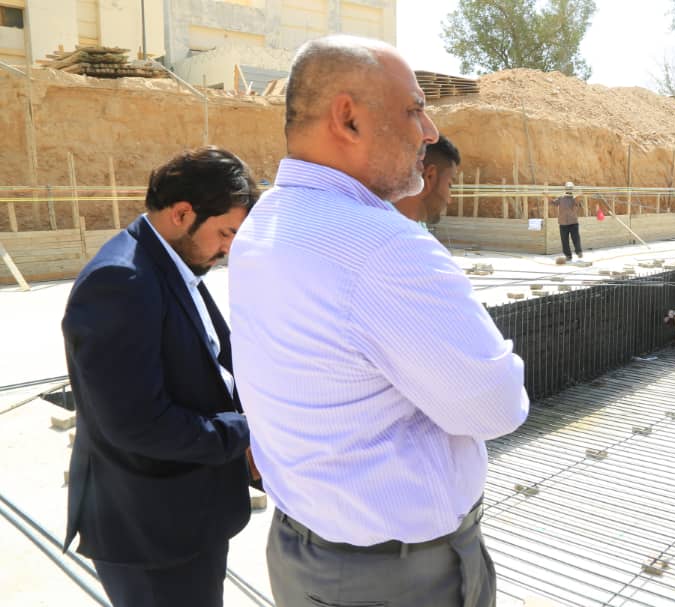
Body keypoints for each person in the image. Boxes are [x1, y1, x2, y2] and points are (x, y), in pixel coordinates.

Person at [228, 36, 530, 607]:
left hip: (303, 553)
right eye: (414, 110)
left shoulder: (265, 222)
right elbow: (498, 407)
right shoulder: (384, 247)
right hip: (398, 579)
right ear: (348, 118)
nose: (430, 131)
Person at [61, 146, 259, 607]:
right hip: (150, 534)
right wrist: (247, 433)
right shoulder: (122, 281)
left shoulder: (168, 264)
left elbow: (211, 363)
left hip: (184, 520)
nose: (229, 248)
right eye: (226, 232)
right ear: (182, 213)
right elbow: (137, 423)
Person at [394, 134, 461, 228]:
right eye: (449, 185)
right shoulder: (408, 234)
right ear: (429, 177)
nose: (449, 200)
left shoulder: (378, 221)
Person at [550, 181, 584, 261]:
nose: (569, 190)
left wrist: (579, 195)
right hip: (563, 223)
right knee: (564, 241)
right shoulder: (561, 198)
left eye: (570, 189)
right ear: (565, 189)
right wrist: (547, 196)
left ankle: (579, 252)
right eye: (568, 189)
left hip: (573, 222)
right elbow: (553, 203)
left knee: (576, 238)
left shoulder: (574, 198)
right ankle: (568, 255)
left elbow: (578, 203)